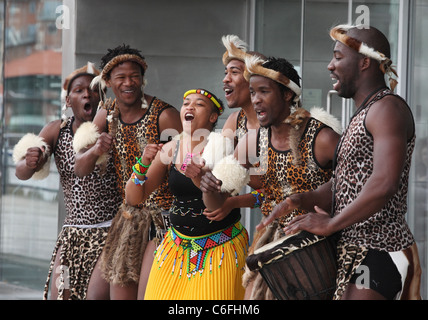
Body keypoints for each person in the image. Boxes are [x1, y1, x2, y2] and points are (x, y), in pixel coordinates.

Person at [259, 25, 422, 300]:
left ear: (364, 62)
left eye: (337, 57)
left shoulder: (387, 109)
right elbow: (346, 182)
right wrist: (302, 198)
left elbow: (384, 183)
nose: (330, 66)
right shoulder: (366, 111)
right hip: (356, 248)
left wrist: (331, 224)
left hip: (379, 247)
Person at [200, 55, 342, 299]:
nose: (255, 100)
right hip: (269, 247)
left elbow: (357, 187)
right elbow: (215, 203)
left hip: (317, 249)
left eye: (263, 91)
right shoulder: (253, 140)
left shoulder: (323, 137)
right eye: (253, 92)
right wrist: (208, 186)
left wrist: (329, 218)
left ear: (287, 94)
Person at [74, 44, 182, 299]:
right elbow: (80, 167)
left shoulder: (164, 116)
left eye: (134, 76)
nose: (128, 83)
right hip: (127, 218)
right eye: (120, 77)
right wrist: (94, 149)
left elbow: (185, 170)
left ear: (143, 80)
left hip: (163, 220)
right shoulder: (107, 113)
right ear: (108, 82)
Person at [125, 88, 249, 300]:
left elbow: (221, 202)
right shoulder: (171, 148)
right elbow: (134, 198)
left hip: (219, 247)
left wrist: (201, 179)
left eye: (199, 104)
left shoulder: (224, 148)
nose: (189, 107)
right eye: (186, 102)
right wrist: (143, 163)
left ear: (213, 117)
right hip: (176, 245)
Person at [13, 63, 123, 300]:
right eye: (79, 90)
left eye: (94, 90)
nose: (87, 94)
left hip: (111, 231)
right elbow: (21, 172)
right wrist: (31, 161)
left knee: (95, 297)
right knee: (61, 293)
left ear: (102, 97)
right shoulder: (56, 130)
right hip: (72, 234)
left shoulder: (116, 129)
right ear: (68, 101)